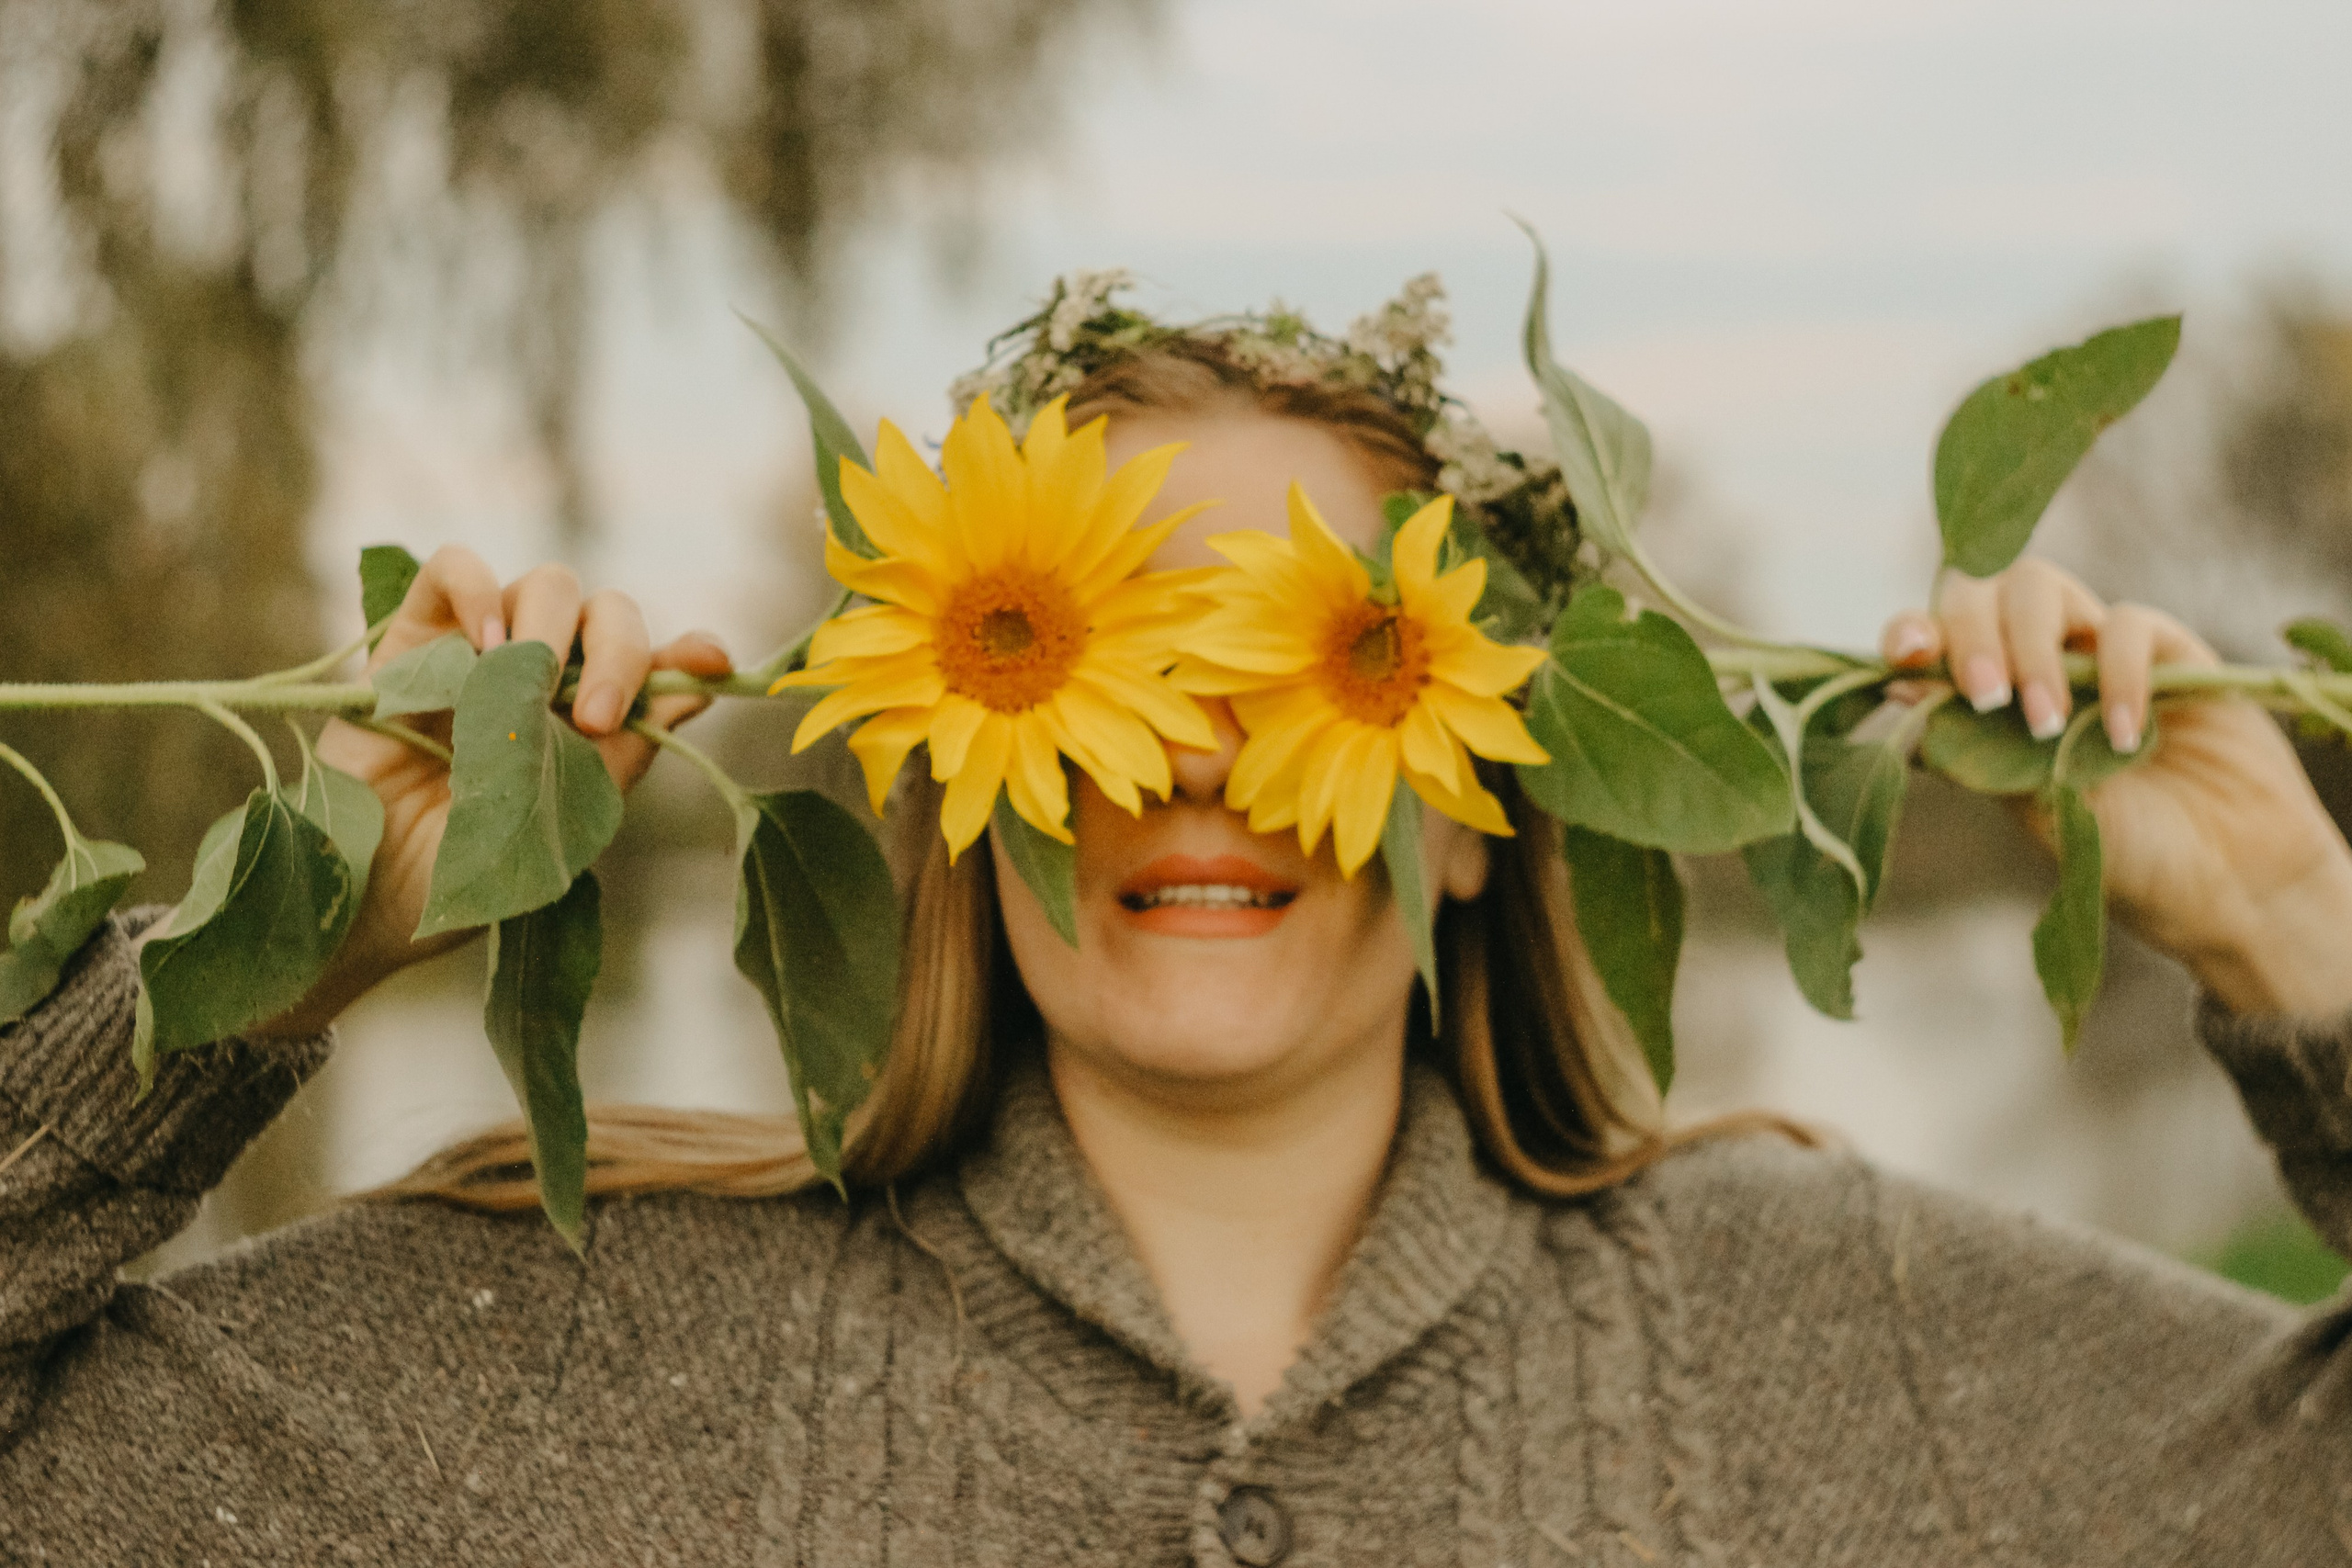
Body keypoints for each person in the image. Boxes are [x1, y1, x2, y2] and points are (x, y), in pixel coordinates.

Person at [5, 291, 2352, 1567]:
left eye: (1313, 664)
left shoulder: (1832, 1342)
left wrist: (2298, 934)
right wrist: (276, 949)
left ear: (1481, 808)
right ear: (952, 774)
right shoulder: (570, 1354)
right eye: (1097, 663)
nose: (1198, 760)